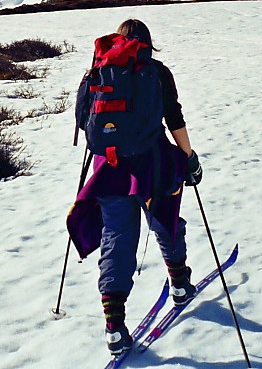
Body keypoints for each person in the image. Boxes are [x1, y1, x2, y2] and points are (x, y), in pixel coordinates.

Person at [66, 19, 204, 356]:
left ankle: (114, 325)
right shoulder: (156, 72)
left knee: (117, 236)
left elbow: (84, 122)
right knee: (165, 220)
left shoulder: (96, 72)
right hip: (151, 162)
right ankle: (180, 283)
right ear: (147, 44)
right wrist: (189, 157)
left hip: (109, 169)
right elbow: (174, 117)